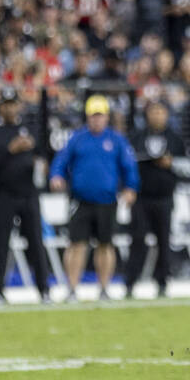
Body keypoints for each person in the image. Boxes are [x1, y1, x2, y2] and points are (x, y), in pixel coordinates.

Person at [49, 95, 139, 302]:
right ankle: (71, 287)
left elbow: (129, 166)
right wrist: (56, 176)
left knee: (106, 245)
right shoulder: (77, 138)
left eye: (100, 115)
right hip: (81, 200)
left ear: (106, 117)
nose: (97, 120)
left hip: (107, 200)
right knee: (76, 244)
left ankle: (104, 287)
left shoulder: (116, 140)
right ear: (87, 117)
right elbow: (61, 160)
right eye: (93, 116)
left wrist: (131, 187)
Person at [0, 89, 52, 305]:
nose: (10, 108)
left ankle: (44, 289)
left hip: (28, 193)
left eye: (14, 104)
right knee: (0, 244)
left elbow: (43, 154)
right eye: (6, 104)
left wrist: (41, 164)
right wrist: (10, 150)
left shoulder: (30, 129)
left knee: (36, 243)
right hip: (2, 195)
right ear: (0, 107)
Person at [125, 101, 189, 298]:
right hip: (141, 197)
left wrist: (172, 163)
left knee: (164, 241)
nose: (157, 115)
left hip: (165, 197)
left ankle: (162, 282)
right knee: (137, 240)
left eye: (161, 111)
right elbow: (126, 163)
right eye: (153, 111)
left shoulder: (175, 138)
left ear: (167, 114)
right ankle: (130, 283)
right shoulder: (136, 136)